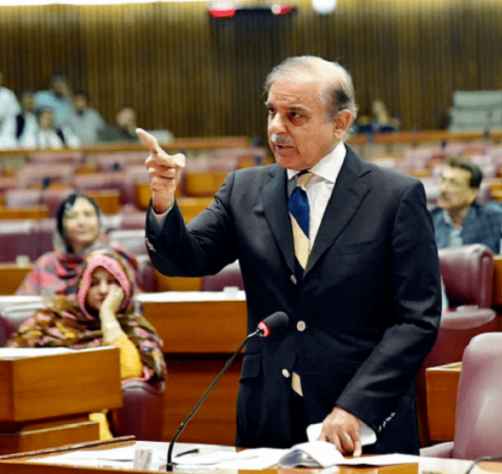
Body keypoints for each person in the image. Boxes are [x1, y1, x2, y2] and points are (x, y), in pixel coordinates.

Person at [141, 56, 441, 455]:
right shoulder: (244, 190)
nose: (276, 128)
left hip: (359, 423)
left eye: (294, 115)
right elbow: (184, 259)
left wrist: (355, 407)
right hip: (267, 415)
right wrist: (164, 201)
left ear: (341, 123)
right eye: (271, 112)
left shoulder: (394, 197)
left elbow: (416, 320)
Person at [7, 250, 166, 439]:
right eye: (95, 282)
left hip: (89, 414)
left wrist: (107, 315)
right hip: (45, 404)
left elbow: (130, 371)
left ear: (125, 286)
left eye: (112, 282)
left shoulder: (135, 327)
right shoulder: (54, 317)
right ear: (83, 286)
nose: (104, 290)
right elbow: (14, 357)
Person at [16, 193, 136, 297]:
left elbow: (130, 305)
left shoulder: (114, 259)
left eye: (88, 215)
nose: (81, 222)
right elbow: (23, 305)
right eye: (73, 216)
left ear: (99, 222)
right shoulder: (46, 264)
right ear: (61, 227)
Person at [432, 159, 502, 256]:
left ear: (472, 193)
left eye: (453, 183)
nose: (443, 189)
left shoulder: (497, 219)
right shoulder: (427, 220)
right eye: (443, 181)